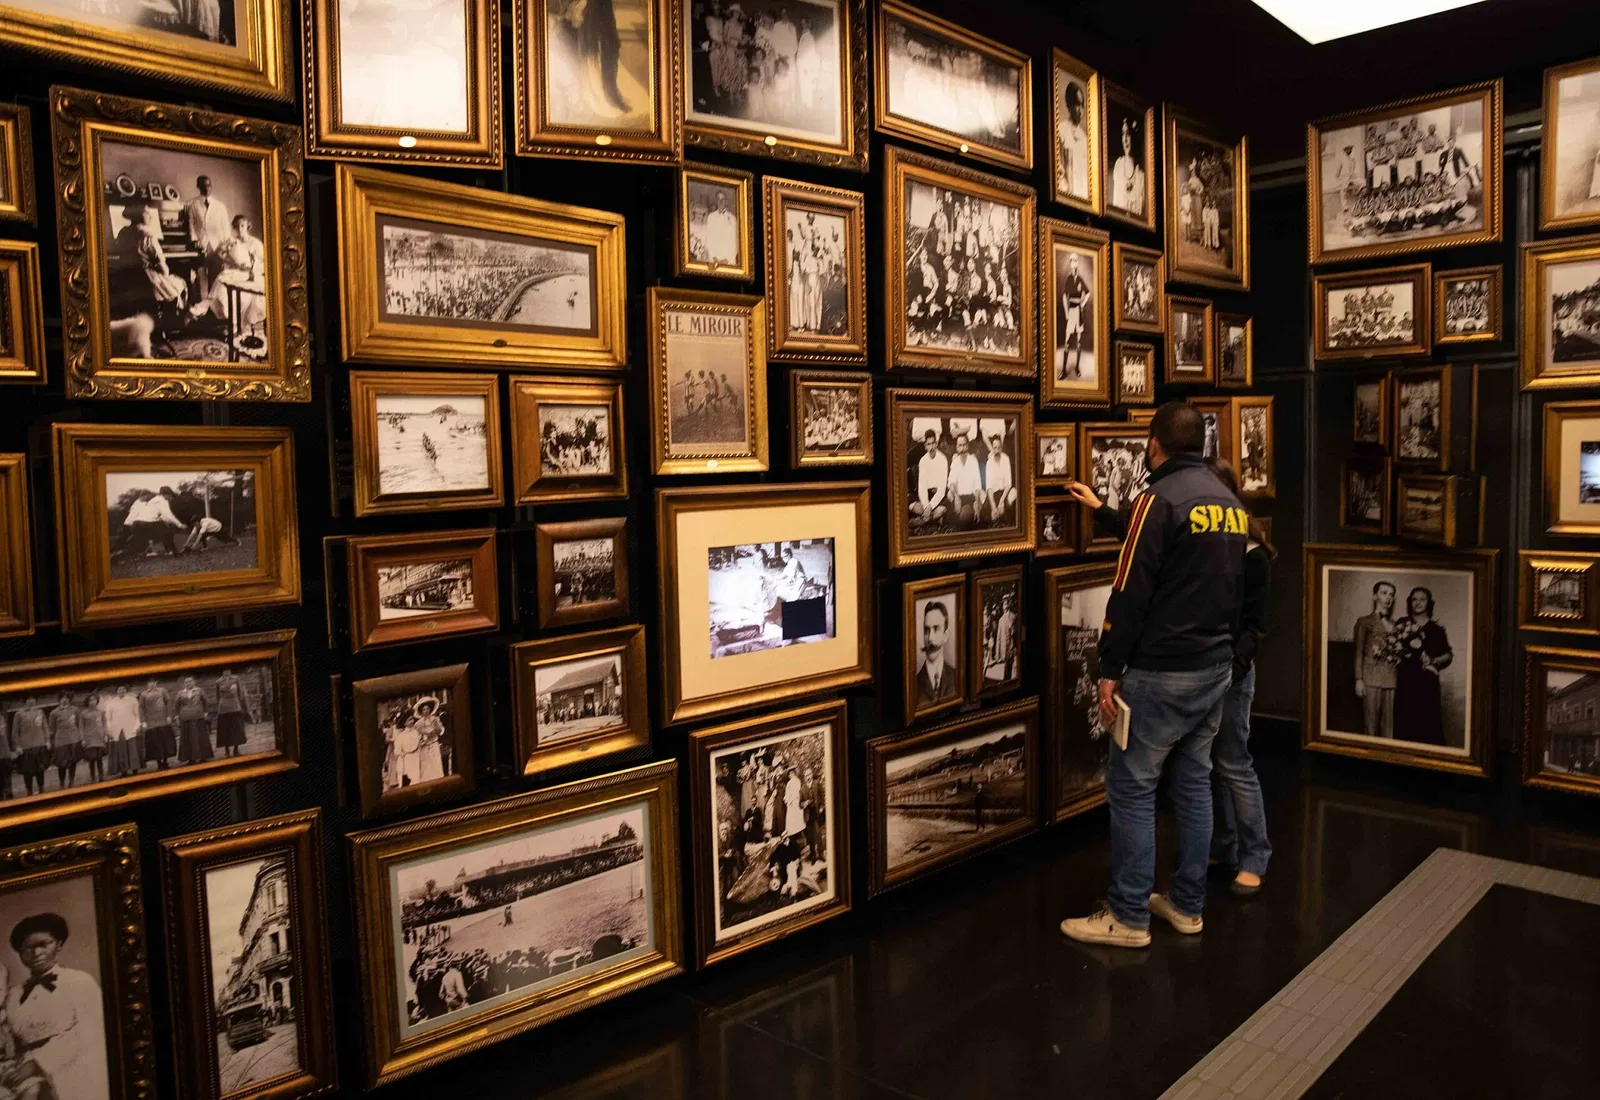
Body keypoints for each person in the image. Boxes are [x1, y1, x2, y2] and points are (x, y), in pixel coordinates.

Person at [1059, 402, 1248, 948]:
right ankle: (1188, 905)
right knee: (1192, 785)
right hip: (1214, 668)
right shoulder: (1228, 502)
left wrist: (1109, 668)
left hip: (1160, 671)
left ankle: (1128, 915)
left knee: (1133, 789)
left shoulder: (1155, 499)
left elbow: (1131, 588)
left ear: (1154, 444)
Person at [1205, 461, 1274, 897]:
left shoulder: (1253, 554)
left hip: (1231, 670)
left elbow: (1254, 627)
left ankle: (1254, 856)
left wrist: (1235, 669)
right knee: (1211, 765)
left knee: (1233, 762)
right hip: (1206, 667)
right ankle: (1224, 847)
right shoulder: (1212, 547)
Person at [6, 912, 110, 1100]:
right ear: (20, 953)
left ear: (59, 944)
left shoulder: (80, 982)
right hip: (27, 1077)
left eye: (44, 944)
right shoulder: (14, 994)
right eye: (27, 948)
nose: (36, 953)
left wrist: (39, 1062)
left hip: (74, 1070)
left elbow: (92, 1030)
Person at [1393, 587, 1453, 745]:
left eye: (1422, 599)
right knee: (1404, 723)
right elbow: (1393, 647)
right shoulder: (1402, 624)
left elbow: (1448, 655)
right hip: (1405, 681)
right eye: (1414, 599)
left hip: (1427, 682)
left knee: (1427, 724)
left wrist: (1433, 661)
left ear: (1429, 603)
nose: (1418, 603)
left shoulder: (1437, 629)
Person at [1353, 581, 1398, 738]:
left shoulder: (1396, 625)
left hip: (1391, 679)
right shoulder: (1364, 622)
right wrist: (1359, 679)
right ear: (1374, 596)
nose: (1388, 598)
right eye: (1384, 593)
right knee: (1370, 726)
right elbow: (1358, 652)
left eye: (1391, 594)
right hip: (1370, 679)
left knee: (1389, 727)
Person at [184, 175, 232, 300]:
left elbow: (226, 227)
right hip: (200, 244)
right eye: (204, 185)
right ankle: (203, 304)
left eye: (209, 185)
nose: (207, 188)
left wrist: (225, 245)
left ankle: (214, 305)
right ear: (198, 187)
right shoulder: (193, 204)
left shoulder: (220, 206)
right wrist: (195, 240)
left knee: (215, 276)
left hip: (217, 246)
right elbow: (191, 225)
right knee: (201, 277)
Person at [915, 601, 959, 707]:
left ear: (946, 635)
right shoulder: (913, 685)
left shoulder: (957, 677)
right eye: (926, 630)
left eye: (936, 629)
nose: (930, 638)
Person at [911, 429, 950, 526]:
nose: (931, 447)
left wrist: (930, 506)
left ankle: (923, 519)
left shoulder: (943, 460)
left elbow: (941, 490)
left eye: (933, 443)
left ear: (936, 444)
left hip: (938, 495)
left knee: (943, 509)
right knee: (911, 504)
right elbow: (922, 487)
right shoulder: (923, 461)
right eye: (928, 444)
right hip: (926, 495)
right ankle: (933, 518)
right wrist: (926, 506)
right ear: (925, 446)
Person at [138, 679, 177, 770]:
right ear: (147, 684)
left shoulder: (162, 691)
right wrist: (143, 721)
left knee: (165, 742)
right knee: (155, 744)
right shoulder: (144, 694)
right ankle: (159, 763)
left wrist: (169, 715)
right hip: (151, 723)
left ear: (156, 682)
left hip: (163, 720)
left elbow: (168, 702)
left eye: (154, 682)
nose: (152, 684)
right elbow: (141, 708)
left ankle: (165, 762)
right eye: (150, 682)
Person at [213, 669, 248, 758]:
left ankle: (236, 750)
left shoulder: (236, 679)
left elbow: (240, 693)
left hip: (235, 707)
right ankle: (227, 751)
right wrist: (220, 705)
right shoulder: (218, 681)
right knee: (225, 729)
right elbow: (217, 696)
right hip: (223, 708)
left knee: (236, 729)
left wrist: (239, 704)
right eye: (224, 670)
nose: (226, 672)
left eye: (228, 670)